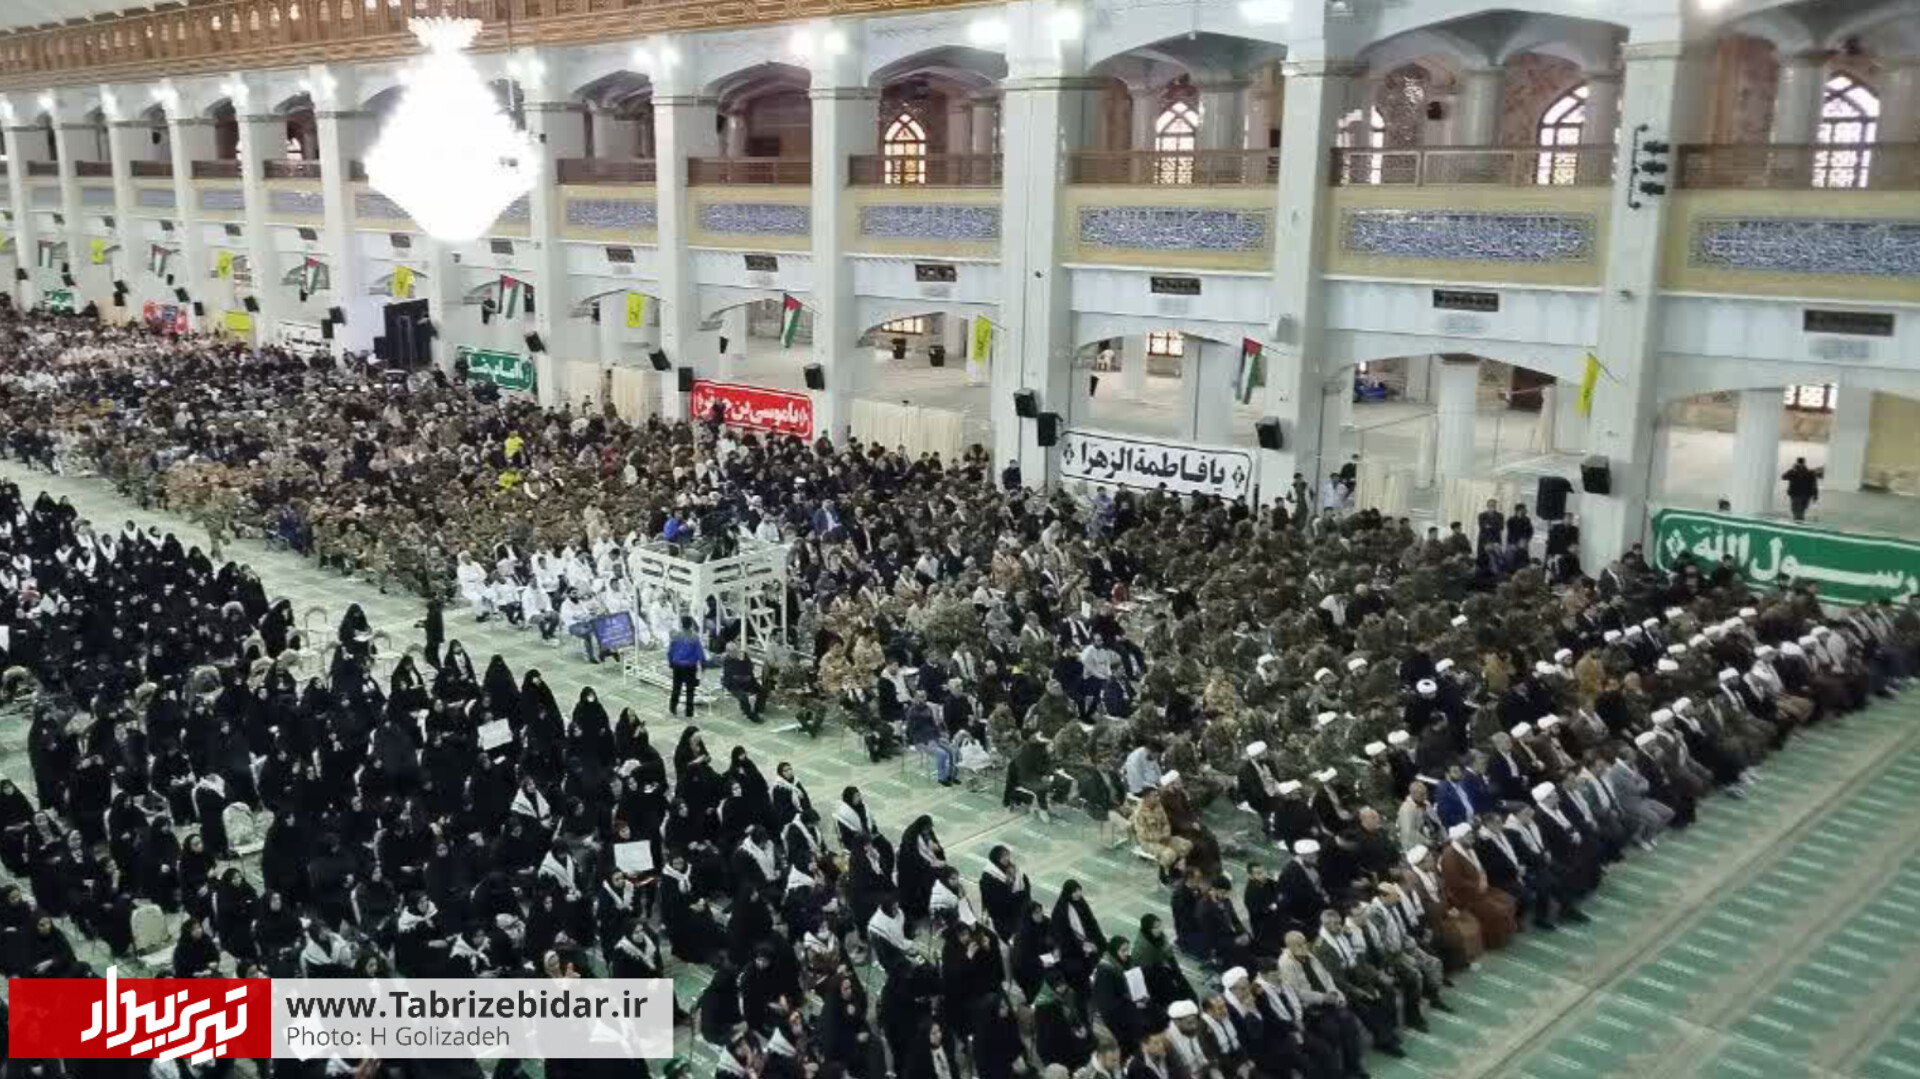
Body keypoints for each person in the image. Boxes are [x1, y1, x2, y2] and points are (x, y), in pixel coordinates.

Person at [667, 615, 705, 718]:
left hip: (677, 665)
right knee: (690, 691)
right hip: (690, 667)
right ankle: (689, 713)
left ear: (681, 624)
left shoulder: (676, 636)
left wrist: (670, 662)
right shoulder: (694, 638)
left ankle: (672, 708)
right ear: (691, 624)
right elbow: (700, 653)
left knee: (676, 688)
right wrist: (703, 665)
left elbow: (670, 651)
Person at [723, 642, 771, 724]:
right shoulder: (727, 661)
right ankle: (750, 715)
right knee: (744, 696)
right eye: (732, 652)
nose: (734, 653)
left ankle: (759, 709)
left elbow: (750, 668)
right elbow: (730, 678)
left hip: (748, 681)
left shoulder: (743, 656)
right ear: (728, 652)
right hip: (733, 684)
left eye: (735, 650)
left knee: (763, 690)